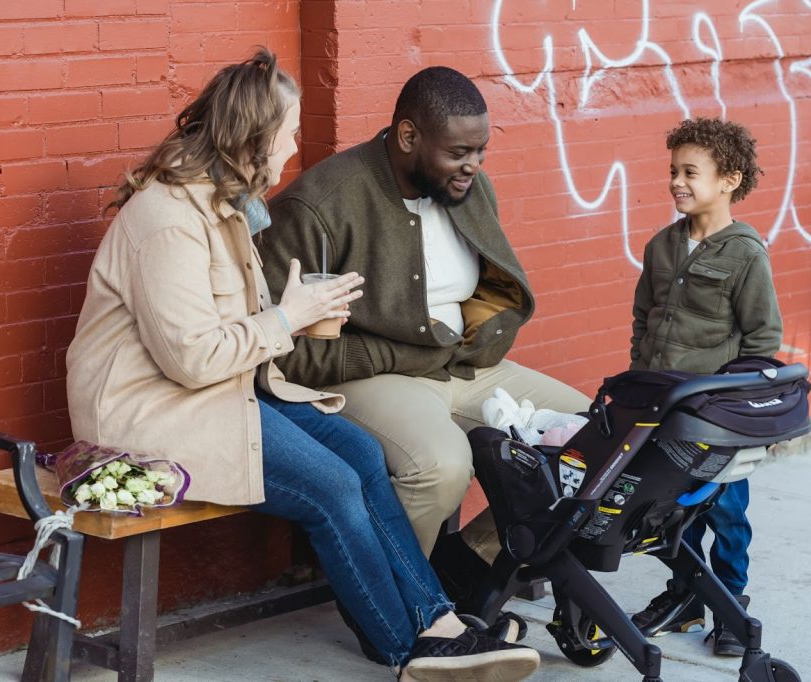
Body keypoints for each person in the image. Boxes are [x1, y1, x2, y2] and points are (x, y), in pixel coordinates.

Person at [64, 49, 540, 681]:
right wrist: (288, 318)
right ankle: (406, 649)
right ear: (251, 139)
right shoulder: (167, 220)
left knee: (363, 457)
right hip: (153, 414)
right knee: (332, 485)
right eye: (287, 133)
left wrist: (299, 315)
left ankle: (440, 623)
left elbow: (240, 334)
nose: (294, 146)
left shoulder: (224, 205)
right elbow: (191, 358)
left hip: (222, 395)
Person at [259, 67, 591, 572]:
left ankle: (468, 569)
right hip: (368, 376)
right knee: (441, 466)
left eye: (480, 152)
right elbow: (280, 349)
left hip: (462, 365)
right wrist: (392, 353)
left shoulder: (469, 189)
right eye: (458, 153)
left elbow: (488, 295)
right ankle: (394, 604)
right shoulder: (321, 205)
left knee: (597, 444)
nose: (472, 167)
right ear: (408, 136)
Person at [627, 117, 783, 656]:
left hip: (718, 418)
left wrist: (742, 414)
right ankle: (687, 595)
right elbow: (643, 320)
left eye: (691, 172)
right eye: (673, 171)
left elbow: (763, 339)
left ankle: (731, 604)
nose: (677, 182)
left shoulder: (745, 254)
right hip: (662, 409)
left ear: (729, 180)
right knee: (669, 510)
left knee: (726, 511)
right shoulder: (660, 247)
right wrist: (638, 380)